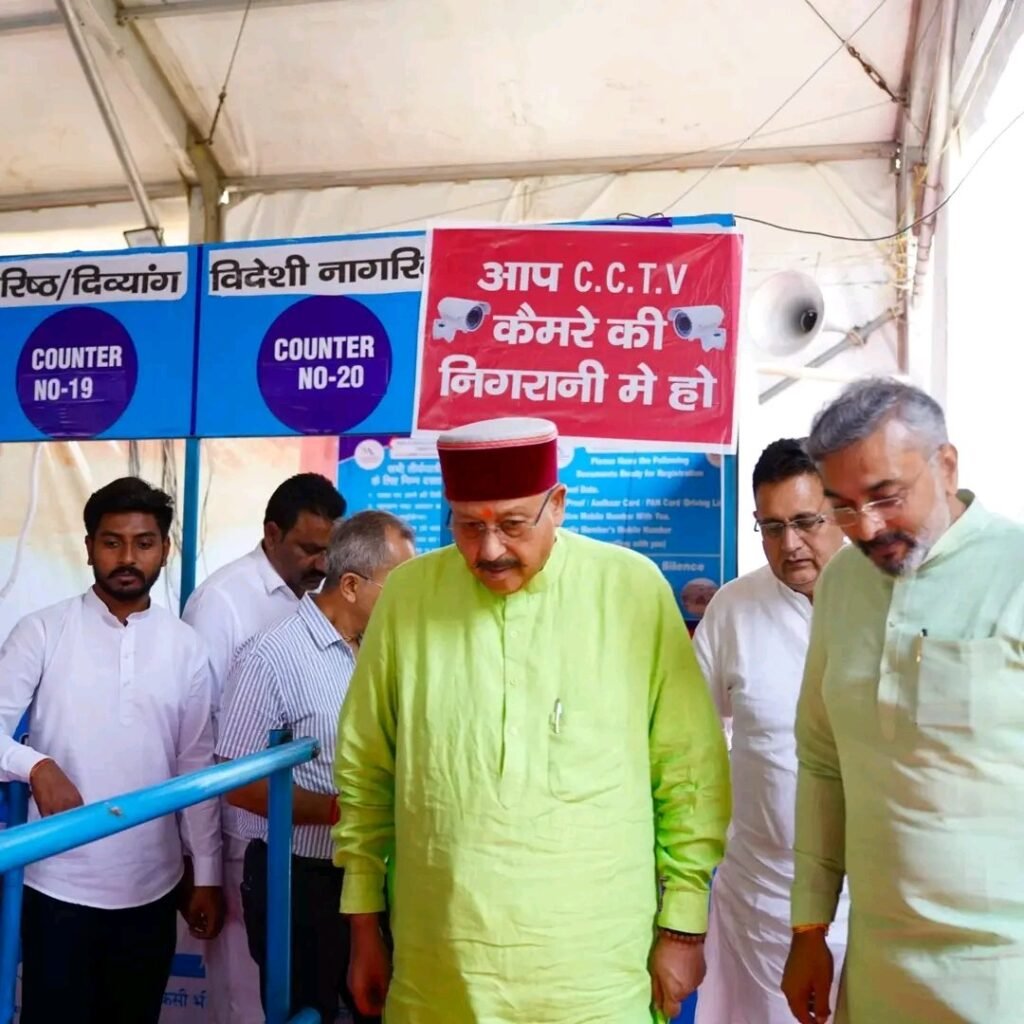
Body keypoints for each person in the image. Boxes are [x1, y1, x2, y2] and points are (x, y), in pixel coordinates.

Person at [334, 416, 731, 1024]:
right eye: (469, 526)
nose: (490, 550)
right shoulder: (409, 598)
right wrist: (364, 924)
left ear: (558, 505)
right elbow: (366, 770)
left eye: (513, 524)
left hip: (595, 973)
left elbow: (688, 769)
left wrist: (683, 927)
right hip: (441, 965)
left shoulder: (632, 590)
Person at [781, 378, 1024, 1024]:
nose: (867, 527)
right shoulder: (841, 584)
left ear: (947, 466)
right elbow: (822, 760)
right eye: (842, 507)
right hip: (878, 966)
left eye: (886, 497)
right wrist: (809, 926)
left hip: (1005, 971)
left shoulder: (1016, 571)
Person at [0, 477, 223, 1024]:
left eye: (143, 543)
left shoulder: (187, 648)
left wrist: (208, 874)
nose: (127, 558)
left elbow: (195, 766)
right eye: (112, 542)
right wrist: (36, 765)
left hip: (153, 886)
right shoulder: (41, 631)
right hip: (56, 882)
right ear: (88, 548)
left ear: (164, 550)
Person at [217, 511, 415, 1024]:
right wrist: (338, 811)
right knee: (309, 1010)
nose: (409, 601)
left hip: (376, 873)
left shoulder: (383, 650)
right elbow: (236, 781)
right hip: (300, 882)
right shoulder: (270, 656)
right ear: (350, 586)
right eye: (399, 586)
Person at [692, 439, 848, 1024]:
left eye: (807, 522)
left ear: (839, 511)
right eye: (773, 527)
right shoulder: (733, 609)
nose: (791, 544)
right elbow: (693, 743)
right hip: (762, 900)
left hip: (875, 899)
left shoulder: (891, 599)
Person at [182, 471, 346, 1024]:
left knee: (295, 997)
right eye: (308, 548)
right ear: (271, 533)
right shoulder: (221, 603)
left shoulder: (319, 599)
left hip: (305, 847)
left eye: (329, 550)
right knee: (245, 1000)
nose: (321, 563)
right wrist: (203, 865)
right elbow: (199, 738)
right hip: (239, 834)